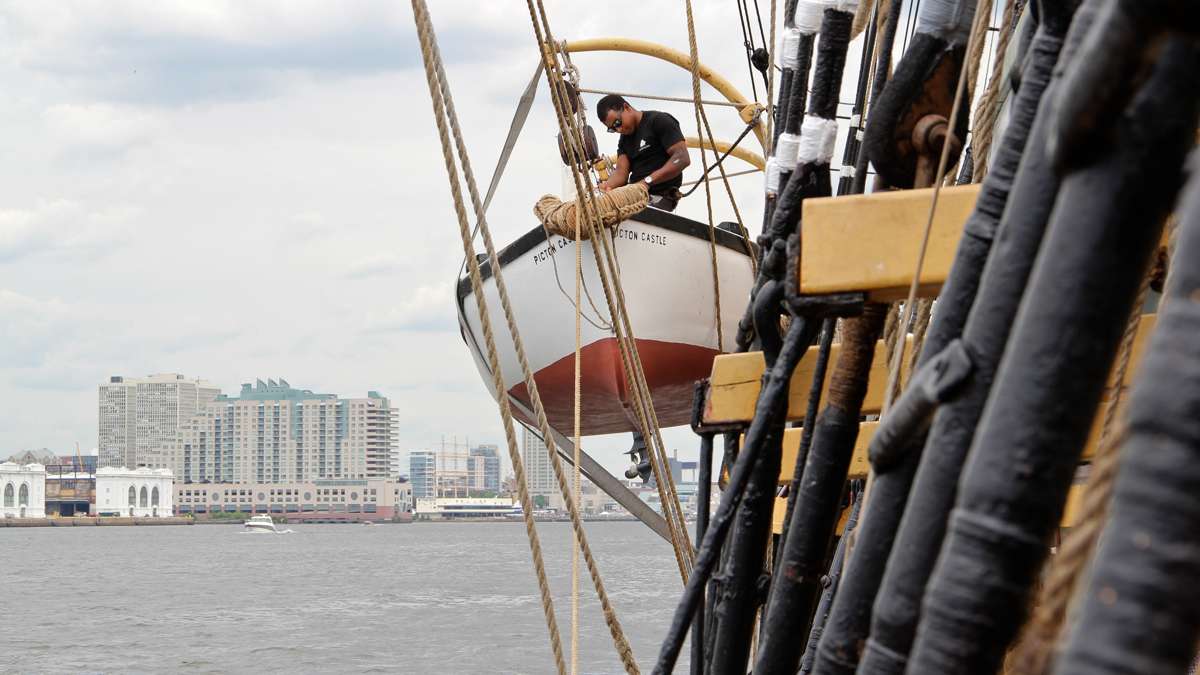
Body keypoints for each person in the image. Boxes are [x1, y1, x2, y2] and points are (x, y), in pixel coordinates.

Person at [595, 95, 690, 212]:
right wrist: (605, 187)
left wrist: (646, 182)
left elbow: (682, 158)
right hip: (636, 198)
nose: (618, 130)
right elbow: (621, 173)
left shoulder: (658, 121)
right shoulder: (624, 140)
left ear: (626, 108)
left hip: (660, 199)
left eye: (617, 123)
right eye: (612, 129)